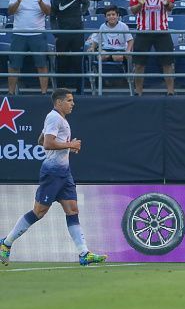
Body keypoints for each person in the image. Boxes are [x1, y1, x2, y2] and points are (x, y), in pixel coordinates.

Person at [0, 89, 108, 267]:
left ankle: (84, 254)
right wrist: (69, 144)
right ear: (59, 102)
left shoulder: (58, 119)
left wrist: (67, 146)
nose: (73, 103)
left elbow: (40, 140)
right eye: (69, 100)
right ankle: (6, 243)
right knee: (39, 212)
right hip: (52, 173)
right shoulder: (54, 117)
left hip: (64, 173)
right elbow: (48, 143)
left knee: (72, 210)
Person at [129, 0, 175, 96]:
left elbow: (171, 7)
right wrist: (140, 4)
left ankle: (171, 92)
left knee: (167, 63)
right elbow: (133, 10)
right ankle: (138, 93)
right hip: (143, 31)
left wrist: (167, 3)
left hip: (162, 30)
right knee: (138, 64)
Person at [7, 0, 51, 95]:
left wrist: (41, 2)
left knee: (42, 65)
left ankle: (44, 94)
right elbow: (10, 12)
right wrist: (18, 2)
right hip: (19, 34)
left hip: (38, 34)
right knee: (14, 66)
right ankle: (10, 94)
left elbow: (48, 12)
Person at [51, 0, 91, 94]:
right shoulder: (55, 0)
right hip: (62, 36)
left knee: (77, 63)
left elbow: (87, 3)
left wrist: (81, 13)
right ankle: (61, 93)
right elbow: (52, 18)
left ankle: (80, 91)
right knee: (62, 63)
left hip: (77, 34)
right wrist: (56, 33)